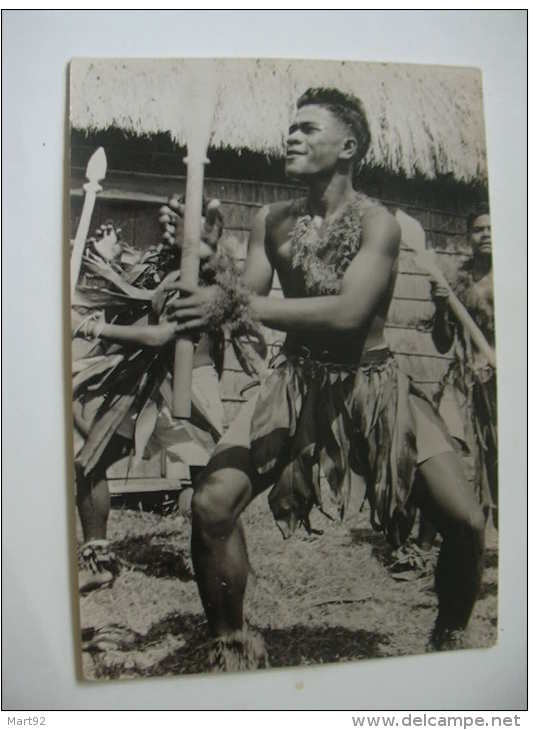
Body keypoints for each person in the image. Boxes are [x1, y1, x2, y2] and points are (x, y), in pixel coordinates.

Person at [166, 87, 486, 667]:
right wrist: (210, 259)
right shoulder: (272, 220)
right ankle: (230, 646)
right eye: (292, 127)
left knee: (464, 520)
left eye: (309, 128)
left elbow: (347, 312)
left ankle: (451, 634)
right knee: (212, 503)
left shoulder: (379, 224)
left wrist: (229, 300)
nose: (293, 135)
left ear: (348, 146)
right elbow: (249, 298)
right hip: (295, 385)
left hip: (375, 387)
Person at [73, 199, 225, 594]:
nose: (164, 219)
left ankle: (220, 567)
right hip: (143, 385)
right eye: (166, 212)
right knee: (89, 462)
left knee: (211, 490)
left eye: (176, 214)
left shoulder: (203, 273)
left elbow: (161, 335)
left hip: (188, 385)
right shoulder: (156, 263)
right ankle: (97, 560)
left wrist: (89, 329)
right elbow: (132, 299)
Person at [430, 205, 497, 528]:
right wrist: (442, 307)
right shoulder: (456, 283)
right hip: (464, 383)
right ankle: (435, 536)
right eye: (479, 229)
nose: (486, 235)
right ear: (469, 236)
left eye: (492, 229)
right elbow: (442, 343)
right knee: (445, 450)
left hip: (504, 385)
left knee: (501, 455)